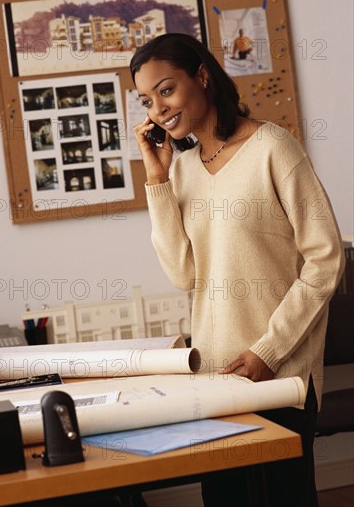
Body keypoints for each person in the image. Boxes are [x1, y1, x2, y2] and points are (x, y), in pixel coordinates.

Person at [130, 33, 344, 507]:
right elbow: (185, 275)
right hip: (214, 375)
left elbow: (326, 259)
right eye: (147, 99)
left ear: (201, 76)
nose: (159, 108)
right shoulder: (181, 169)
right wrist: (157, 180)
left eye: (167, 90)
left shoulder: (273, 147)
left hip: (280, 371)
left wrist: (268, 351)